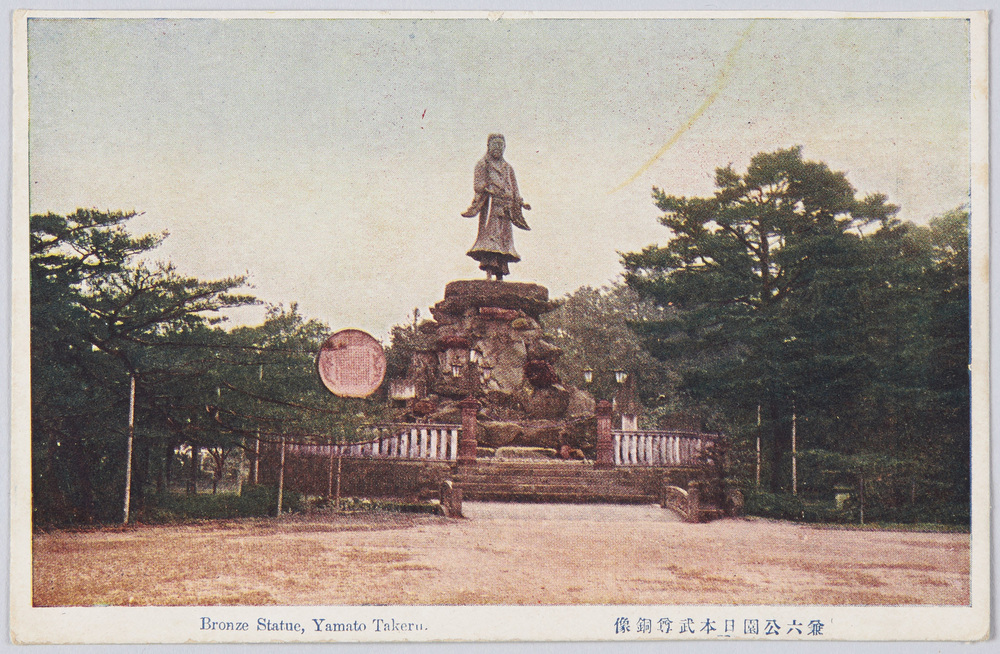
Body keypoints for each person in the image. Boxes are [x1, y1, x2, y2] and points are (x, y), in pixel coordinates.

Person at [462, 133, 531, 281]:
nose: (498, 149)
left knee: (504, 240)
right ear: (489, 146)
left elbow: (515, 188)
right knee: (490, 239)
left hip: (505, 209)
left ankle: (500, 273)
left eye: (501, 146)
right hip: (491, 206)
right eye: (495, 145)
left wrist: (520, 202)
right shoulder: (483, 164)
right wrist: (487, 189)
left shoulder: (508, 168)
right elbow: (478, 185)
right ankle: (488, 272)